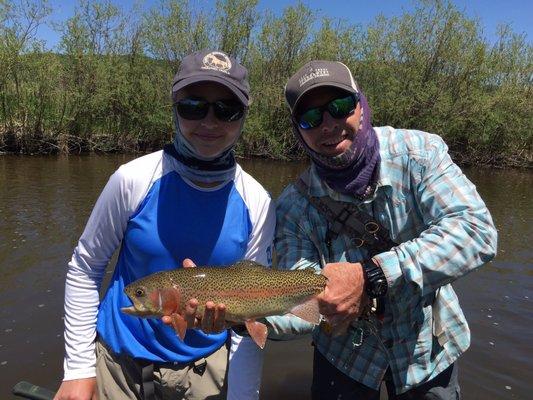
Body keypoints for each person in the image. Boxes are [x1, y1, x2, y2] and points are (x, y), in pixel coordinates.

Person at [266, 60, 497, 399]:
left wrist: (374, 276)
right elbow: (302, 301)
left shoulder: (420, 154)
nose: (328, 125)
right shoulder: (293, 205)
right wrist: (242, 318)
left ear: (360, 106)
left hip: (426, 352)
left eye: (339, 107)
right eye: (311, 118)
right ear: (298, 130)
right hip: (344, 359)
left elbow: (476, 231)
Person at [54, 49, 275, 400]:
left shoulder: (257, 201)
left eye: (226, 109)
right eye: (193, 106)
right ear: (174, 108)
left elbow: (253, 316)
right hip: (118, 369)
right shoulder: (132, 179)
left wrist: (244, 394)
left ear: (243, 117)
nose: (209, 121)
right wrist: (78, 369)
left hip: (205, 374)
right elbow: (85, 268)